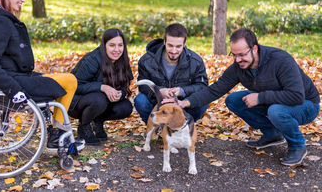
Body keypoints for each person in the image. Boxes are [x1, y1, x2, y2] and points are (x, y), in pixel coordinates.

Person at [0, 0, 84, 151]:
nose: (23, 0)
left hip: (15, 76)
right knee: (70, 81)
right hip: (13, 83)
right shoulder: (0, 22)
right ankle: (57, 135)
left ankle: (57, 132)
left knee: (62, 78)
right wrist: (12, 88)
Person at [170, 28, 320, 166]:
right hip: (275, 101)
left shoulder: (280, 60)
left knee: (276, 111)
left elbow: (296, 96)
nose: (237, 60)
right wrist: (186, 102)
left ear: (254, 48)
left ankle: (297, 146)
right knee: (234, 100)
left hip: (306, 105)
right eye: (233, 55)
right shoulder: (239, 67)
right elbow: (215, 90)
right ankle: (272, 135)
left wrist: (260, 98)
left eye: (241, 54)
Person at [69, 28, 133, 146]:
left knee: (125, 106)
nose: (117, 50)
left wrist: (120, 94)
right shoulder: (92, 59)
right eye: (112, 45)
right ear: (104, 46)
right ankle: (84, 126)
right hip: (76, 103)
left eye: (120, 45)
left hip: (100, 101)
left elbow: (125, 86)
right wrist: (102, 87)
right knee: (99, 99)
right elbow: (75, 86)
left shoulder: (122, 60)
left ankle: (98, 120)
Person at [134, 23, 209, 124]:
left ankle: (184, 126)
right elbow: (142, 85)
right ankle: (154, 127)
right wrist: (159, 91)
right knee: (140, 100)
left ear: (184, 43)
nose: (174, 51)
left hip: (182, 104)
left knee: (203, 101)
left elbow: (202, 86)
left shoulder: (195, 61)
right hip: (158, 103)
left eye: (178, 46)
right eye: (170, 45)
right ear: (164, 41)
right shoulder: (147, 60)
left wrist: (182, 91)